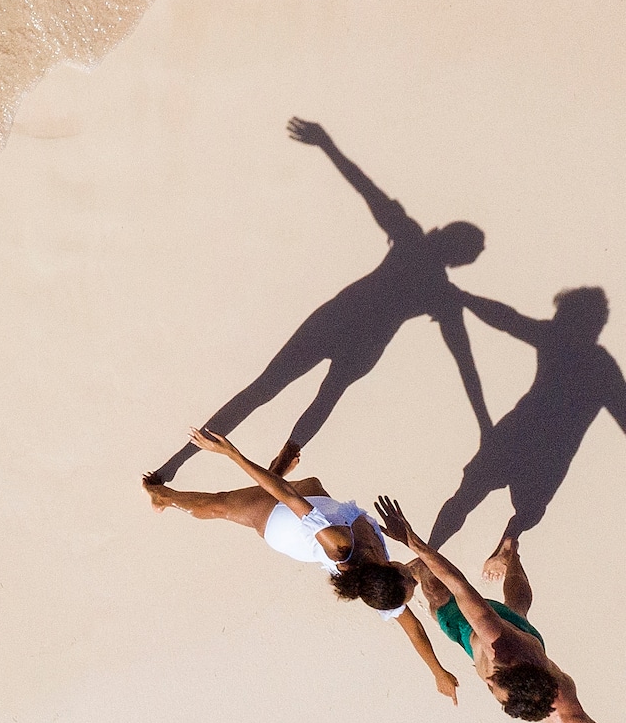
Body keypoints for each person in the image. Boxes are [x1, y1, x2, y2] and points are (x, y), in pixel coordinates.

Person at [147, 119, 491, 485]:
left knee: (268, 388)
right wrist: (485, 425)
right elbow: (464, 360)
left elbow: (367, 189)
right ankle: (265, 471)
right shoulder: (440, 289)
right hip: (365, 340)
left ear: (446, 239)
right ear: (457, 259)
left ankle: (183, 463)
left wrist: (326, 144)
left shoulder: (412, 241)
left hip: (338, 319)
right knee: (317, 397)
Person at [145, 428, 458, 702]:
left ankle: (162, 497)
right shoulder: (363, 558)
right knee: (310, 483)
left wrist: (232, 454)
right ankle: (273, 473)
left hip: (279, 525)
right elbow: (415, 628)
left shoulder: (344, 550)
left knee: (221, 505)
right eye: (411, 580)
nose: (415, 579)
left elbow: (415, 630)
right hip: (316, 504)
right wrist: (439, 670)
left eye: (409, 578)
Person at [373, 496, 626, 723]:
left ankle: (509, 553)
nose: (488, 683)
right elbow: (458, 585)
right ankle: (416, 570)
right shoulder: (497, 641)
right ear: (510, 664)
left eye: (494, 691)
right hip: (477, 633)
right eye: (495, 681)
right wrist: (412, 541)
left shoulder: (567, 719)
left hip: (525, 640)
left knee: (517, 610)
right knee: (439, 597)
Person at [427, 286, 626, 547]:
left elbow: (508, 320)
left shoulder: (565, 343)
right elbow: (507, 319)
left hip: (527, 440)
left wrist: (463, 297)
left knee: (475, 500)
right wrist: (463, 297)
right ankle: (445, 550)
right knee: (496, 506)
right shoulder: (587, 356)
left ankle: (452, 550)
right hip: (541, 447)